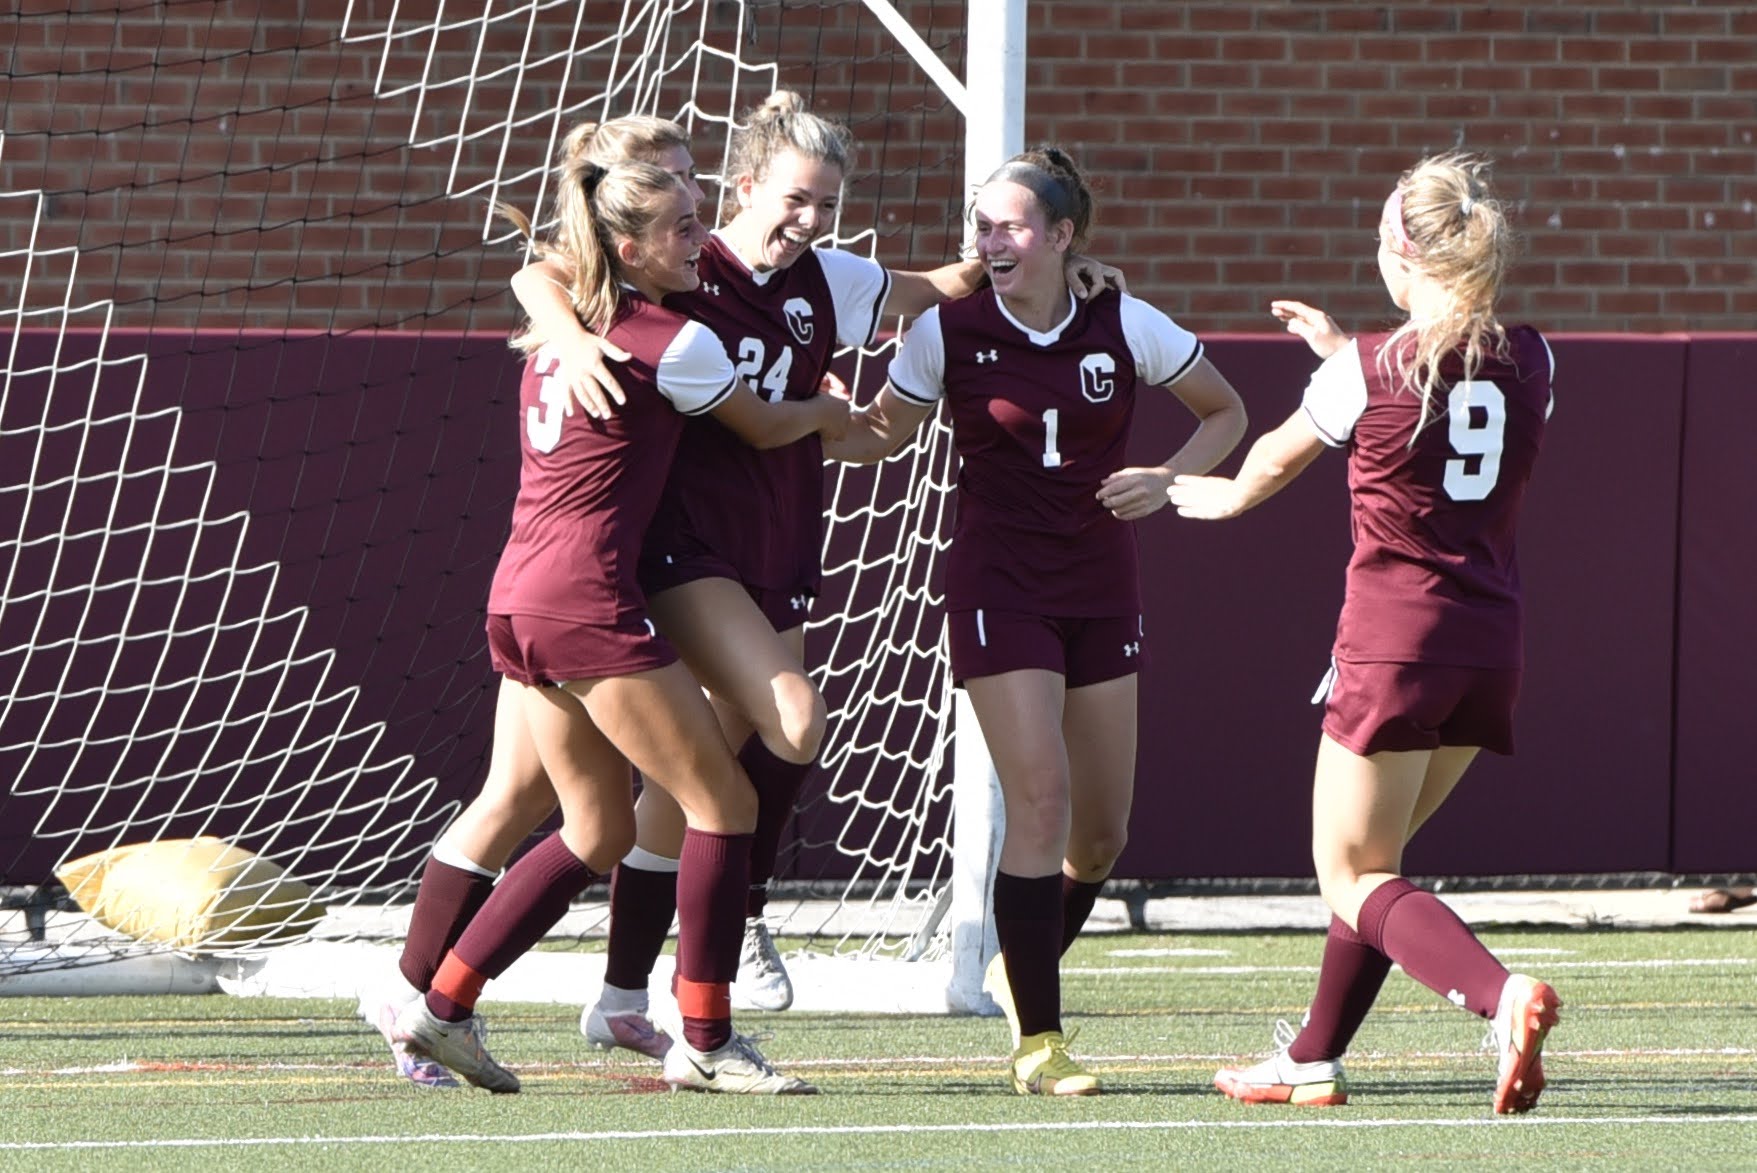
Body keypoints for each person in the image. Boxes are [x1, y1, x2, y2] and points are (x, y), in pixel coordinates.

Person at [513, 94, 1129, 1049]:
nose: (810, 221)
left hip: (775, 546)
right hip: (676, 552)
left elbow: (939, 284)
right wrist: (559, 328)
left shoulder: (827, 280)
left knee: (691, 787)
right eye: (796, 199)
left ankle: (619, 994)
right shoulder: (682, 264)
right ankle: (709, 947)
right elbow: (549, 273)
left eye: (827, 205)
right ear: (744, 186)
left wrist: (1047, 260)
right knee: (760, 741)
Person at [387, 157, 847, 1095]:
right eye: (681, 226)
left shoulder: (563, 325)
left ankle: (441, 1009)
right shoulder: (673, 341)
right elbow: (761, 426)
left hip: (517, 595)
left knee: (594, 824)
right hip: (589, 600)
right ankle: (711, 1042)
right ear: (629, 247)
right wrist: (834, 415)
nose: (700, 240)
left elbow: (543, 279)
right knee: (724, 803)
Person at [822, 145, 1248, 1096]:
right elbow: (878, 436)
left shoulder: (1121, 320)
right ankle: (1039, 1040)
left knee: (1099, 837)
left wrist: (1169, 476)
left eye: (1011, 224)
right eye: (981, 224)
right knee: (1040, 800)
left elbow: (1225, 411)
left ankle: (1025, 968)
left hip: (1099, 586)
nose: (990, 240)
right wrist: (791, 410)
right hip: (995, 586)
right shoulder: (947, 331)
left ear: (1061, 237)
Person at [1169, 152, 1561, 1115]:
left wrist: (1200, 498)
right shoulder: (1535, 357)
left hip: (1394, 644)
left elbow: (1265, 462)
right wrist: (1347, 357)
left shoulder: (1363, 370)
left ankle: (1499, 996)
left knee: (1350, 874)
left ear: (1402, 255)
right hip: (1487, 646)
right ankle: (1311, 1054)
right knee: (1376, 869)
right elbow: (1430, 390)